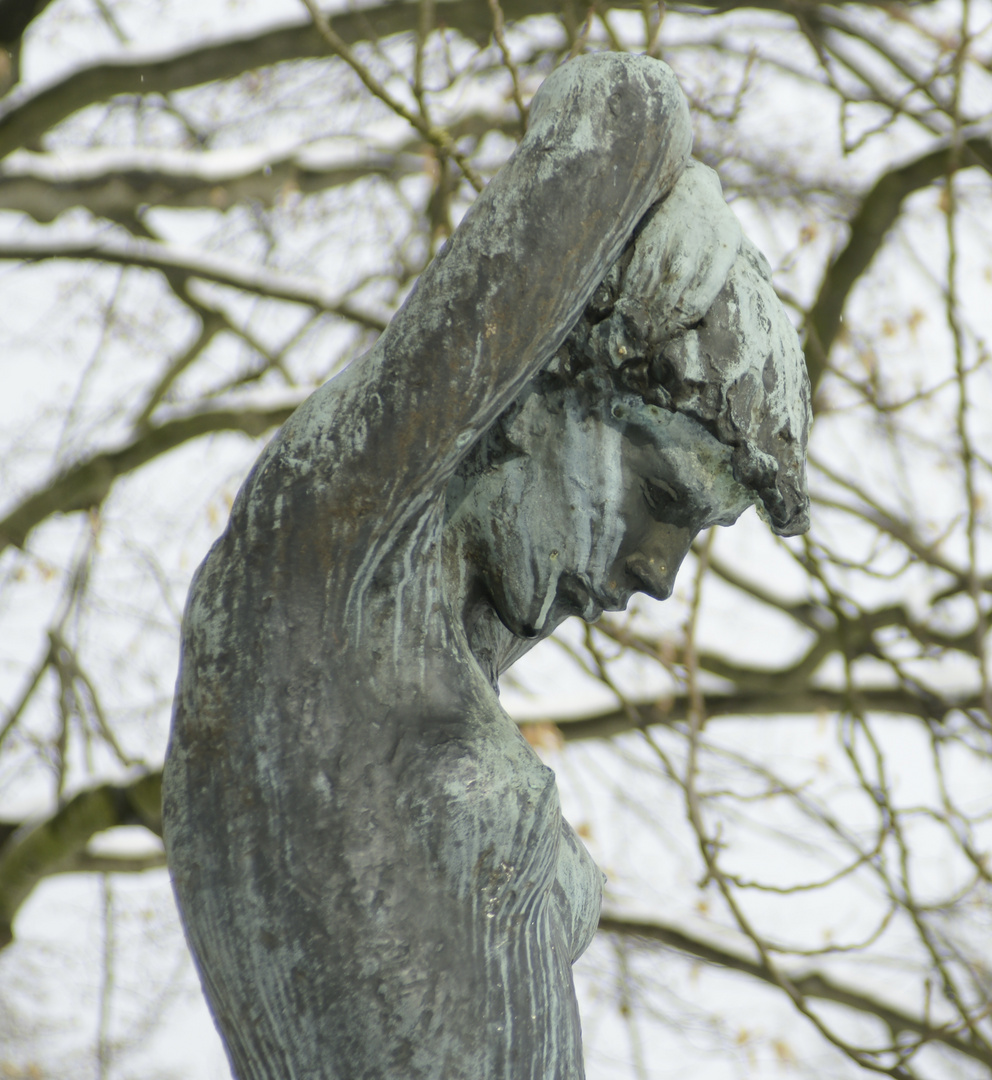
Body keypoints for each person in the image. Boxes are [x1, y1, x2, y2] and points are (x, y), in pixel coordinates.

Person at [163, 52, 810, 1080]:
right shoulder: (322, 582)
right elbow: (620, 112)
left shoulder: (427, 668)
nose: (658, 575)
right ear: (550, 372)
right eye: (665, 498)